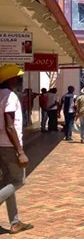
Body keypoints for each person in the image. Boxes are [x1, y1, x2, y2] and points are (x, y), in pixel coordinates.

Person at [0, 64, 33, 234]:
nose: (20, 79)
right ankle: (15, 221)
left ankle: (15, 221)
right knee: (19, 181)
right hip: (9, 146)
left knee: (7, 183)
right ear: (10, 79)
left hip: (1, 145)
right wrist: (20, 152)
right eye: (18, 77)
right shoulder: (10, 96)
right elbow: (10, 126)